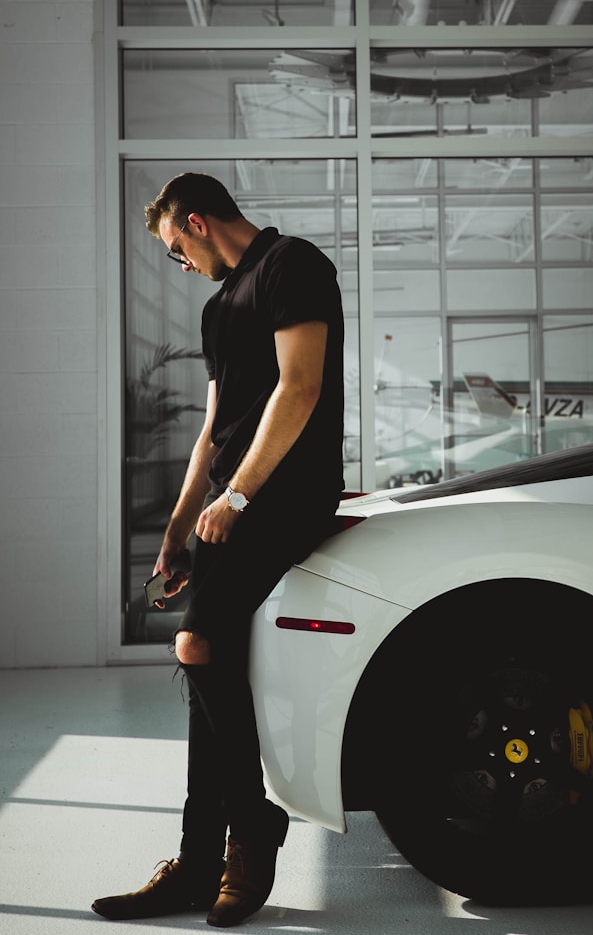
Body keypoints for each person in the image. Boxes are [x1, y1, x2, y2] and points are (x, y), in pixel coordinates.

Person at [92, 172, 344, 928]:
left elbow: (299, 388)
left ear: (196, 221)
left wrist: (236, 498)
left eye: (175, 247)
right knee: (210, 675)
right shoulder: (217, 308)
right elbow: (213, 430)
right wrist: (177, 526)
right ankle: (200, 863)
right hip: (228, 507)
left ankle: (254, 824)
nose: (179, 263)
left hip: (282, 494)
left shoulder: (293, 266)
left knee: (196, 645)